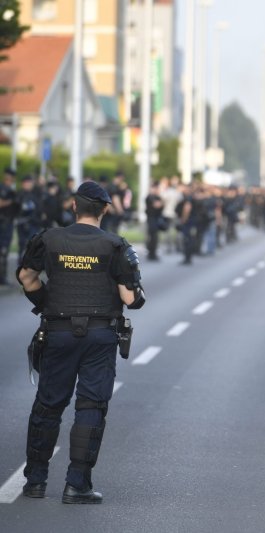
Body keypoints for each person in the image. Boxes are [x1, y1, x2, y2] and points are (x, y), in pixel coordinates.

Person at [15, 180, 146, 504]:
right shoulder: (115, 246)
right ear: (104, 210)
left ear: (73, 207)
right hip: (99, 336)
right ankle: (77, 485)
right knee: (90, 407)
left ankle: (34, 481)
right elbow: (130, 298)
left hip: (57, 332)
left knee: (48, 404)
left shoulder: (48, 239)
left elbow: (26, 278)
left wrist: (47, 303)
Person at [0, 167, 18, 285]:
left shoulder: (12, 190)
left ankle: (3, 277)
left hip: (9, 224)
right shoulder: (2, 188)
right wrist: (10, 201)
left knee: (4, 252)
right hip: (2, 223)